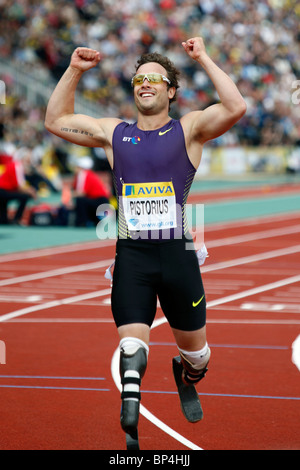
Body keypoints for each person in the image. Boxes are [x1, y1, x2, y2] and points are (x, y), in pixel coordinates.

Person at [45, 37, 246, 448]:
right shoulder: (113, 133)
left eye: (154, 78)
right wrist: (75, 70)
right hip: (132, 256)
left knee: (198, 357)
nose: (145, 84)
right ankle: (131, 409)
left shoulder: (189, 129)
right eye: (138, 80)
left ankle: (186, 374)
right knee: (132, 345)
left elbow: (236, 107)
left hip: (178, 256)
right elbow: (55, 120)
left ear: (171, 90)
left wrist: (202, 57)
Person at [0, 147, 37, 225]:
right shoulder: (18, 166)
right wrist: (31, 192)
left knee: (3, 217)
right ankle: (16, 219)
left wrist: (30, 190)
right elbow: (19, 186)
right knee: (25, 196)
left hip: (4, 190)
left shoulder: (16, 165)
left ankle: (5, 219)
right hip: (3, 191)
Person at [72, 156, 111, 227]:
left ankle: (82, 222)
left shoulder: (83, 174)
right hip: (102, 202)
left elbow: (81, 193)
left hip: (100, 202)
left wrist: (70, 197)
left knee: (80, 200)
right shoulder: (88, 174)